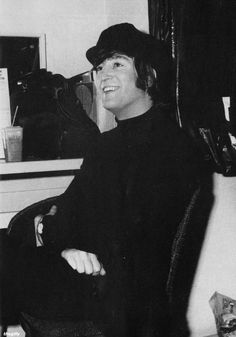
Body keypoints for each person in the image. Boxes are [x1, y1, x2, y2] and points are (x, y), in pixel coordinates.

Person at [15, 23, 210, 337]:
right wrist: (60, 238)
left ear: (149, 76)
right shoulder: (109, 144)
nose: (103, 75)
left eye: (117, 64)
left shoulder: (167, 147)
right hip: (94, 279)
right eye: (100, 67)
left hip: (117, 299)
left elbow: (130, 237)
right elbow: (71, 211)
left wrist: (55, 234)